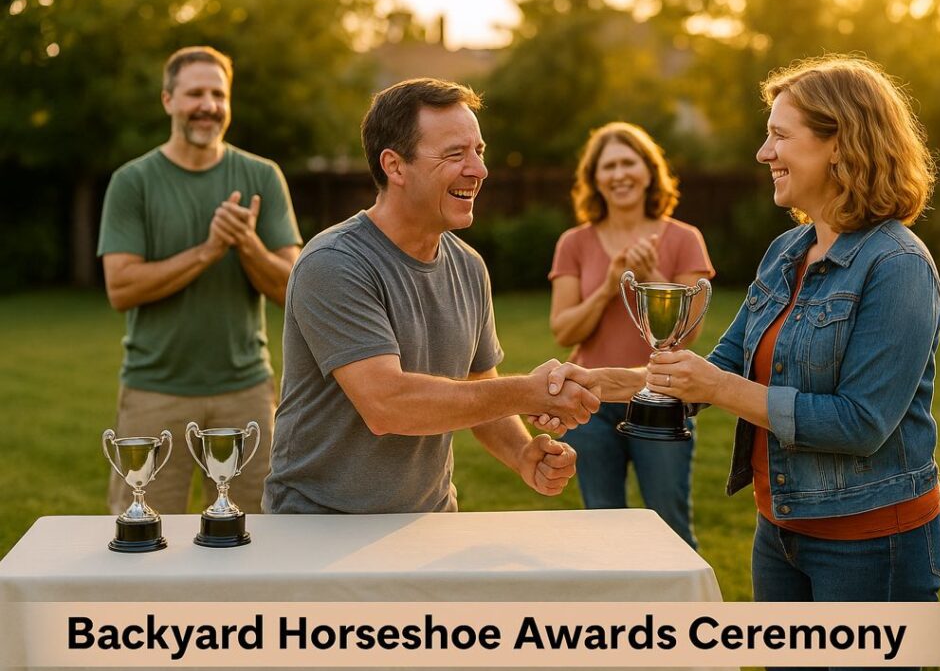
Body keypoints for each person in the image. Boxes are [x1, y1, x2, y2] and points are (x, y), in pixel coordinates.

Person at [543, 55, 940, 671]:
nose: (764, 153)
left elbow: (861, 423)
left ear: (841, 144)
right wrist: (613, 381)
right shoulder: (788, 251)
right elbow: (723, 363)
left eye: (780, 136)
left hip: (871, 543)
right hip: (779, 529)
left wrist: (720, 387)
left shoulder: (897, 266)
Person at [262, 78, 597, 515]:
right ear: (395, 166)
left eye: (479, 151)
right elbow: (387, 405)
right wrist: (528, 393)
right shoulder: (334, 263)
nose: (478, 170)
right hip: (318, 523)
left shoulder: (469, 266)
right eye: (455, 154)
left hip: (428, 517)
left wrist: (521, 454)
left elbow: (480, 387)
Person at [97, 46, 302, 515]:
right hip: (154, 392)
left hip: (245, 392)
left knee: (257, 537)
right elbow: (121, 288)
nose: (207, 104)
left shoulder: (261, 176)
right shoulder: (133, 182)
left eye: (218, 94)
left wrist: (246, 243)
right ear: (168, 100)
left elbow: (294, 290)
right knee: (144, 535)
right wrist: (208, 250)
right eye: (194, 93)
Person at [547, 122, 714, 547]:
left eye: (628, 162)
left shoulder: (684, 238)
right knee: (603, 527)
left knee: (670, 524)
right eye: (609, 166)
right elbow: (563, 328)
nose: (619, 174)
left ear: (648, 171)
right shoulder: (574, 242)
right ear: (595, 179)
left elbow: (688, 334)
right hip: (591, 400)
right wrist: (608, 288)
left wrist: (649, 278)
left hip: (660, 398)